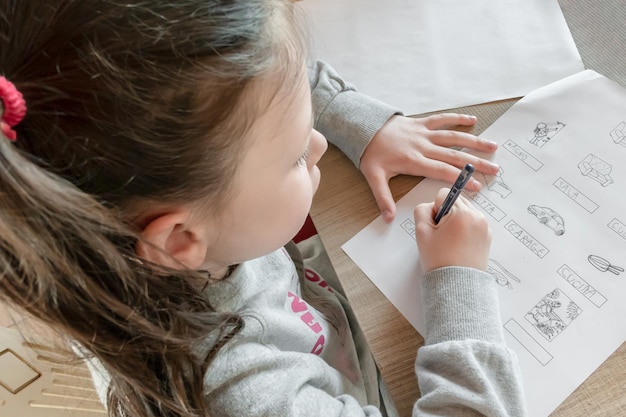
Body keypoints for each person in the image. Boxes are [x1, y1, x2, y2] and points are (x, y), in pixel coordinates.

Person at [0, 1, 526, 416]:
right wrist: (458, 281)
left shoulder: (141, 220)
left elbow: (259, 66)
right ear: (179, 241)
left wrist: (360, 122)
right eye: (298, 154)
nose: (317, 146)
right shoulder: (246, 391)